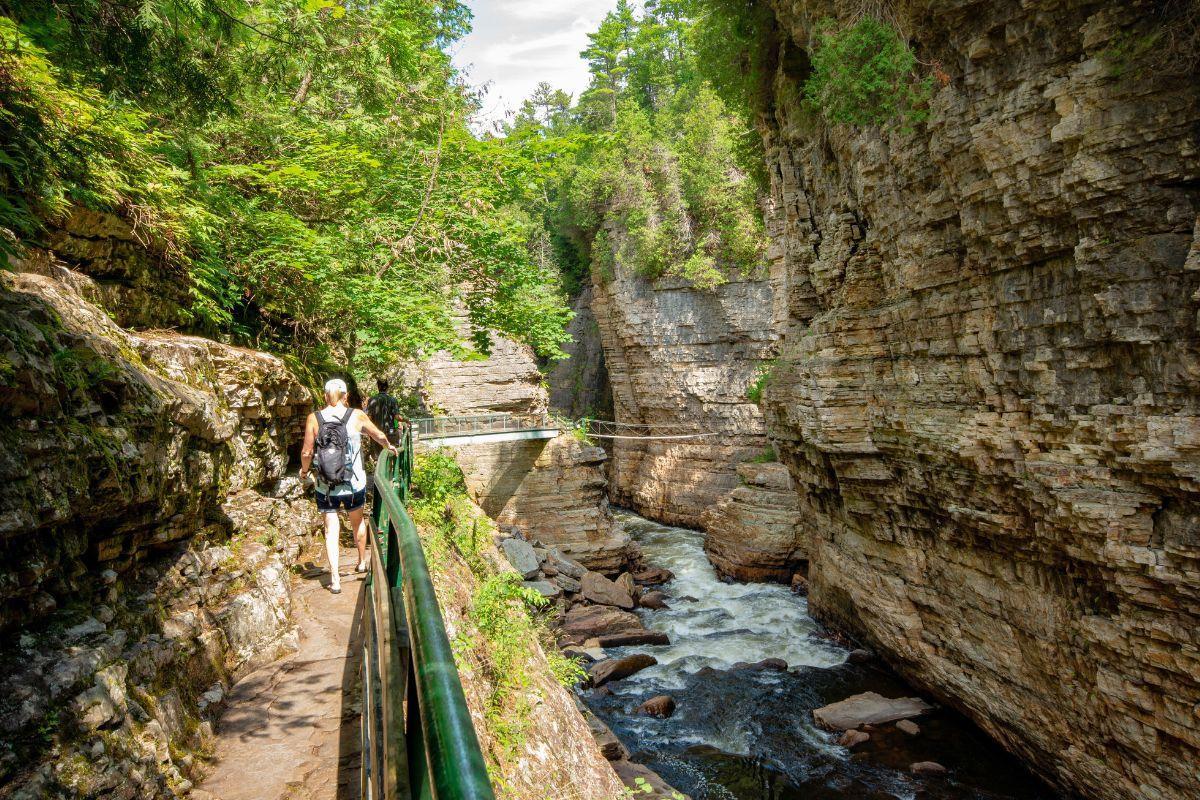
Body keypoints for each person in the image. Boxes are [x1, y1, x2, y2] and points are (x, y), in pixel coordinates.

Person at [299, 378, 397, 594]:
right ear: (345, 396)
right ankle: (362, 561)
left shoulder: (314, 419)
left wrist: (304, 472)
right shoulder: (356, 415)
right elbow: (378, 434)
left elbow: (307, 452)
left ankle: (335, 579)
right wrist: (388, 446)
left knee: (330, 530)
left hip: (326, 486)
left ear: (325, 396)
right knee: (357, 523)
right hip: (354, 484)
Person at [365, 378, 406, 445]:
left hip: (376, 433)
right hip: (390, 432)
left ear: (378, 387)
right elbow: (397, 417)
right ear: (387, 388)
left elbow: (368, 418)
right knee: (391, 452)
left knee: (378, 455)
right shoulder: (393, 400)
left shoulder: (372, 400)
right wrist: (406, 420)